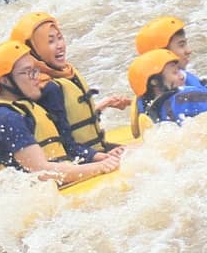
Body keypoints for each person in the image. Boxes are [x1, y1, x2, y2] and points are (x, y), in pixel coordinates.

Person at [0, 39, 121, 184]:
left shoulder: (26, 107)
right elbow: (41, 172)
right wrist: (99, 167)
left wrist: (98, 157)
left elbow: (63, 148)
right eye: (28, 72)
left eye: (35, 70)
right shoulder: (7, 118)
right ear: (5, 81)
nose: (36, 78)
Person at [8, 11, 131, 161]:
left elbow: (68, 122)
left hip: (90, 150)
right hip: (77, 159)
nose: (59, 46)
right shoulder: (46, 88)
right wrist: (101, 157)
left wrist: (102, 106)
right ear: (33, 50)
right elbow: (64, 144)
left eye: (60, 38)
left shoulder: (62, 73)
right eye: (50, 41)